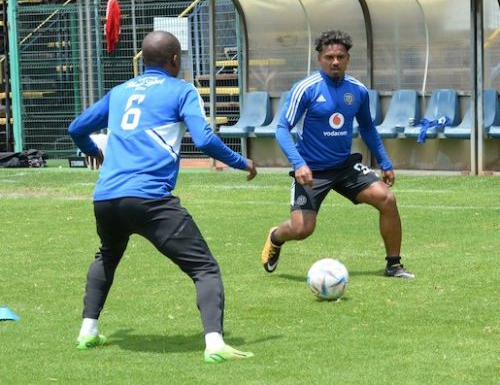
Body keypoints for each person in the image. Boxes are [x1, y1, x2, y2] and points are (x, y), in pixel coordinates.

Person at [68, 30, 257, 363]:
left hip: (106, 198)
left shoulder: (120, 91)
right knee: (205, 269)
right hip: (149, 199)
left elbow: (76, 128)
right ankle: (214, 344)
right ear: (175, 60)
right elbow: (205, 139)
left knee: (108, 254)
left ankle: (88, 330)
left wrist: (94, 152)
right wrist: (242, 163)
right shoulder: (182, 90)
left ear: (142, 61)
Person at [261, 29, 414, 279]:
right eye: (329, 57)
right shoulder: (306, 89)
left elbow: (367, 127)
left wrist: (385, 162)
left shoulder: (358, 91)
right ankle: (276, 236)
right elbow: (281, 129)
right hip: (311, 171)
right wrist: (299, 164)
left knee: (387, 199)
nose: (335, 62)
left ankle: (394, 265)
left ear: (347, 59)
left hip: (345, 167)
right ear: (320, 58)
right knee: (302, 229)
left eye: (340, 57)